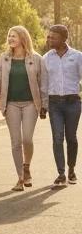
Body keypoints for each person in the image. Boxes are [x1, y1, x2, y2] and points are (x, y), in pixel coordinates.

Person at [0, 25, 47, 191]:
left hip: (30, 104)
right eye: (9, 36)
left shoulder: (36, 59)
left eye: (14, 36)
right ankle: (20, 177)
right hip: (11, 103)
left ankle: (27, 166)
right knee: (15, 141)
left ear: (22, 38)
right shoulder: (4, 59)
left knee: (27, 138)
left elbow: (43, 84)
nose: (10, 39)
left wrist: (44, 105)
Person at [43, 24, 82, 187]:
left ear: (63, 39)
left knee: (71, 138)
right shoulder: (46, 58)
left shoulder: (77, 56)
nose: (49, 39)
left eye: (53, 37)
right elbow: (43, 84)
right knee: (57, 138)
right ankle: (61, 173)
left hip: (73, 102)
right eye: (49, 36)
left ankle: (71, 169)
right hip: (54, 104)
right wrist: (43, 105)